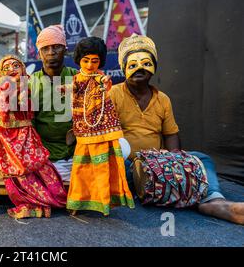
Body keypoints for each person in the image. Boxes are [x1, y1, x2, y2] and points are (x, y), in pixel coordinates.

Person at [110, 33, 244, 225]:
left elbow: (171, 134)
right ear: (123, 68)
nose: (139, 68)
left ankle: (214, 201)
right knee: (116, 165)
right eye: (132, 64)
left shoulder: (163, 99)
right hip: (127, 166)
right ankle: (174, 190)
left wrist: (174, 163)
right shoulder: (113, 94)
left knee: (202, 158)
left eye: (145, 63)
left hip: (157, 162)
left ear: (154, 67)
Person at [0, 55, 67, 219]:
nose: (12, 69)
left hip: (25, 135)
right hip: (5, 139)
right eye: (7, 67)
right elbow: (0, 111)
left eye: (16, 65)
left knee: (40, 167)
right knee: (16, 172)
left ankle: (51, 199)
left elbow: (28, 110)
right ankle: (33, 202)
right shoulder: (1, 89)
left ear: (22, 68)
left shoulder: (27, 87)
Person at [67, 37, 134, 216]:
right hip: (83, 132)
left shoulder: (102, 79)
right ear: (79, 60)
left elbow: (107, 86)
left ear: (101, 61)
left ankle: (105, 202)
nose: (90, 65)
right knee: (82, 169)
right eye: (86, 60)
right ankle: (79, 202)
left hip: (103, 132)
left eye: (94, 61)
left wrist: (105, 84)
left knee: (104, 168)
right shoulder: (75, 79)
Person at [29, 25, 78, 182]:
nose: (51, 52)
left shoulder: (78, 78)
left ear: (65, 49)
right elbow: (29, 123)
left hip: (75, 152)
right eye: (45, 48)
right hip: (42, 154)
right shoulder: (31, 82)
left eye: (56, 47)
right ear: (39, 54)